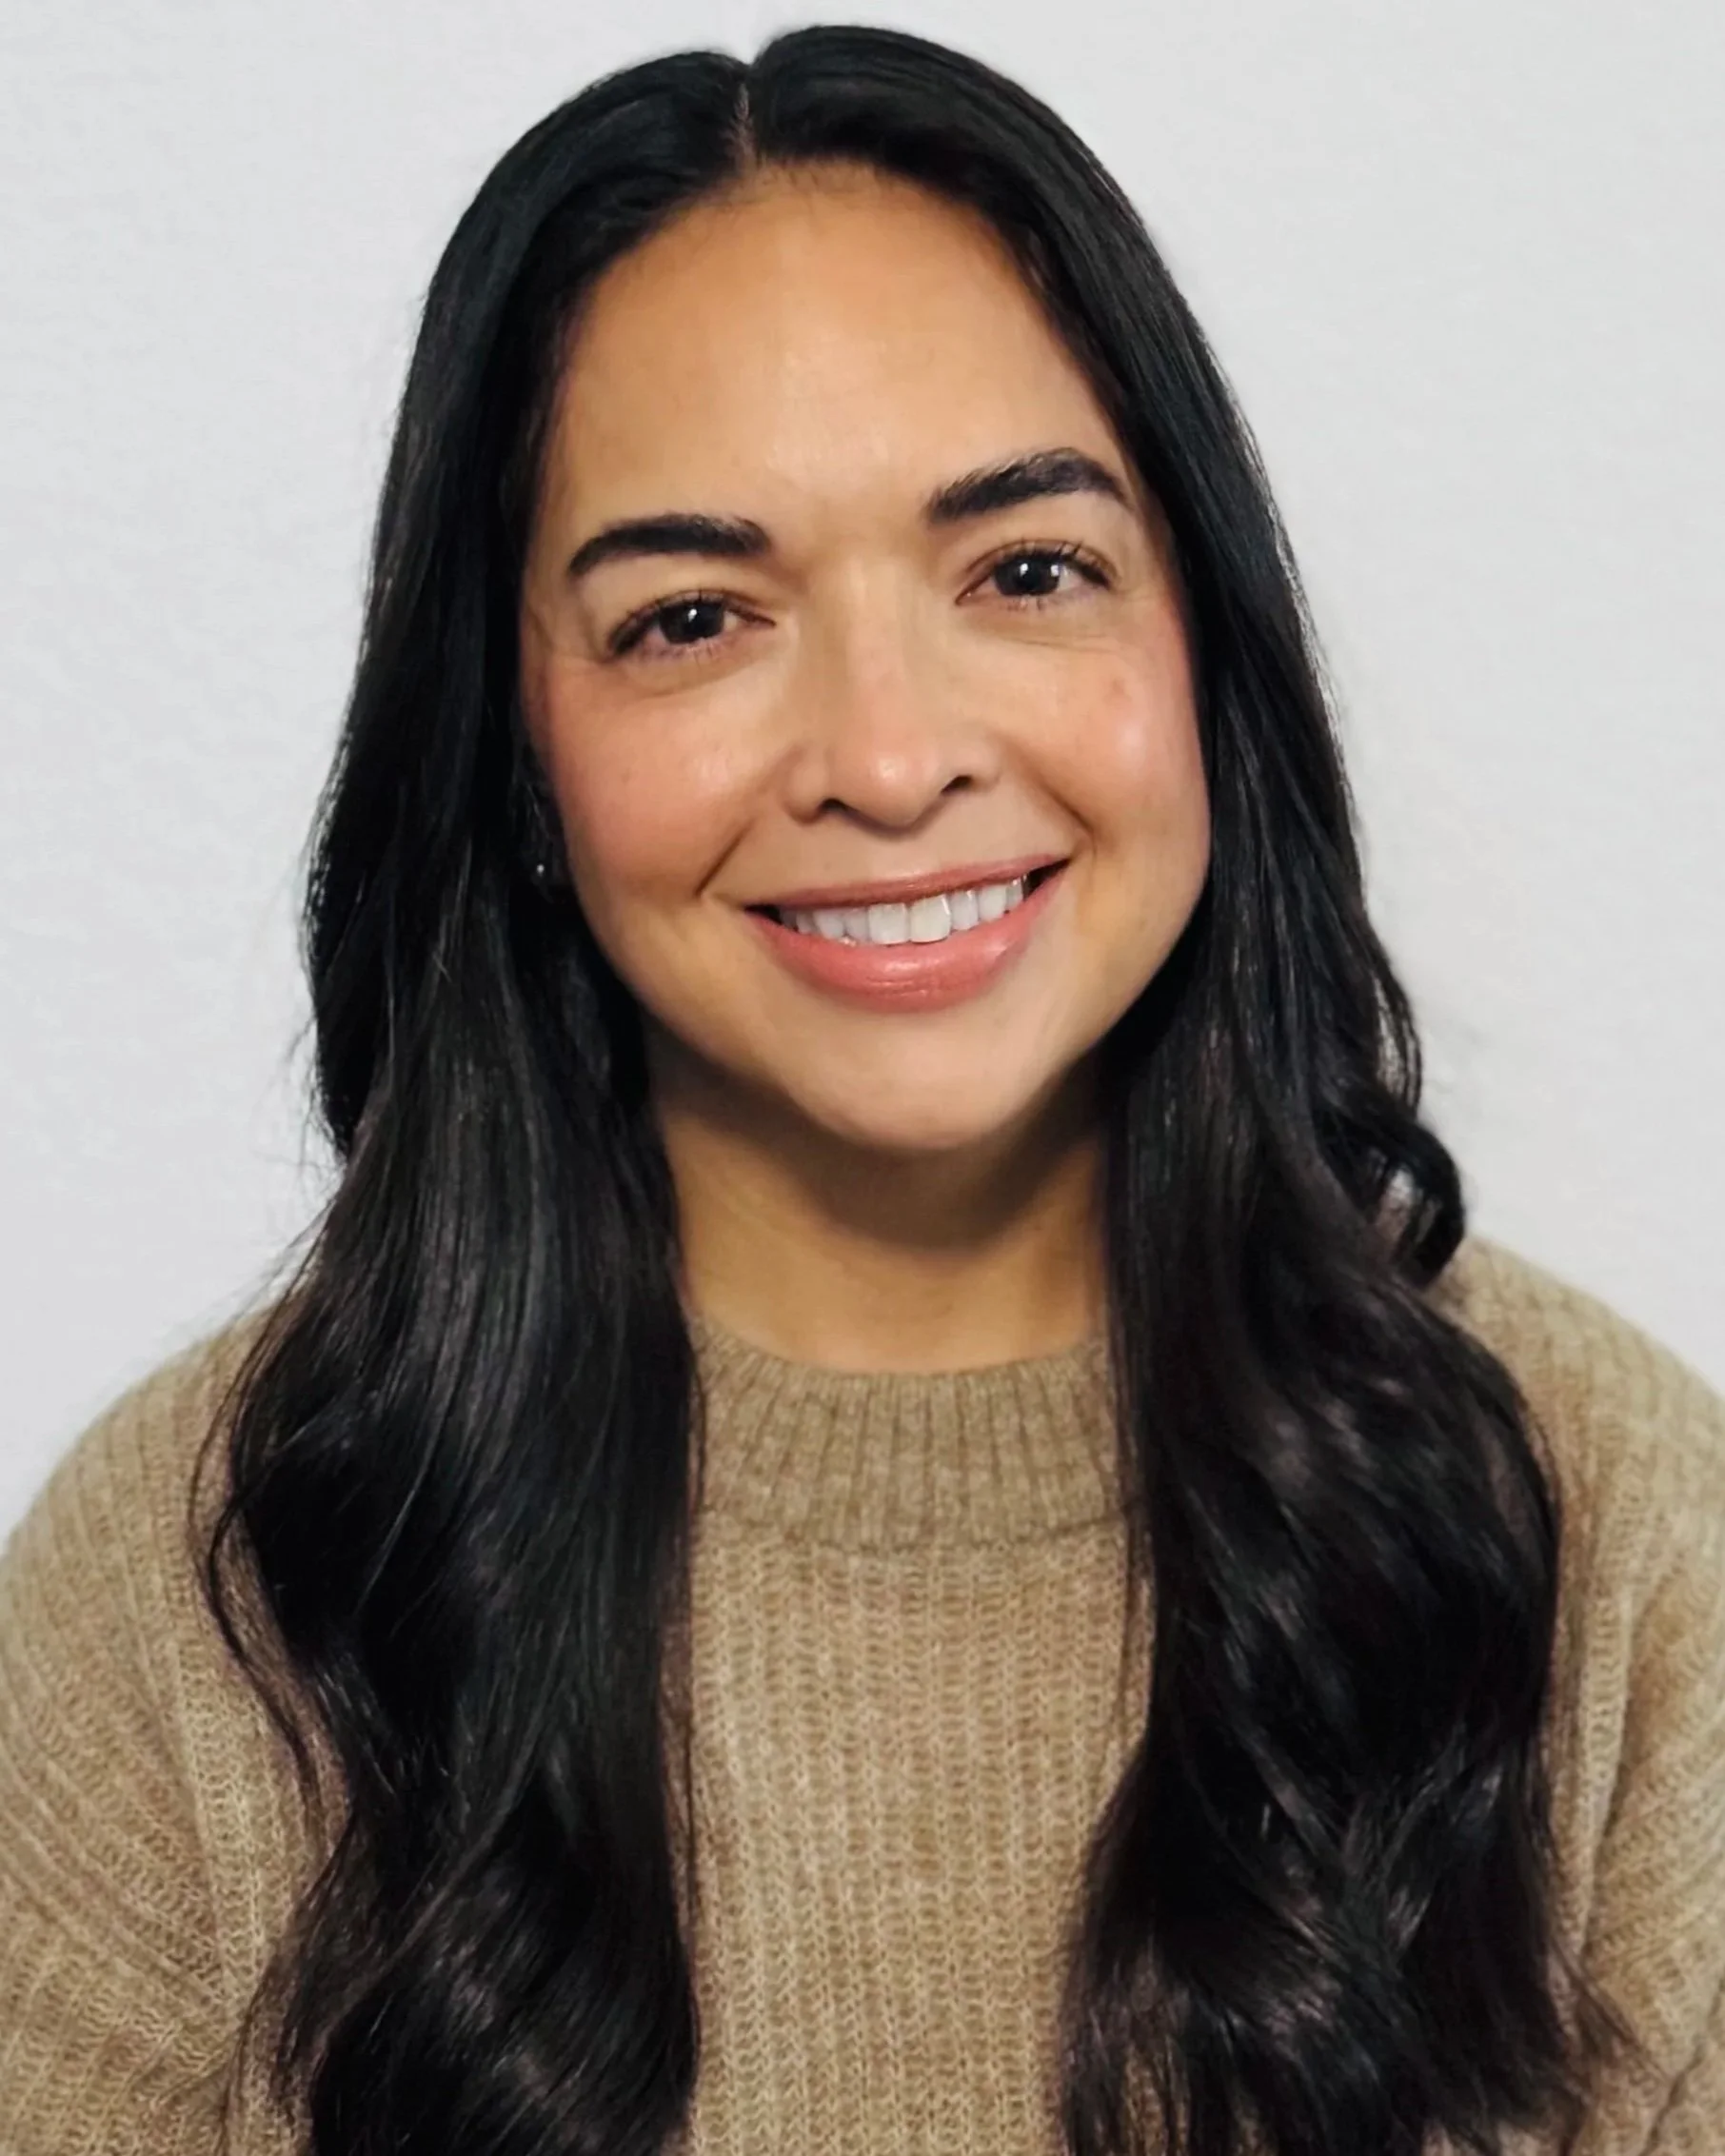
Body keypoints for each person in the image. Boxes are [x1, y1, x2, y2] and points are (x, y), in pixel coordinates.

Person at [1, 23, 1720, 2156]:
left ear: (1207, 641)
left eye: (1026, 570)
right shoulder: (197, 1602)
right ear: (518, 750)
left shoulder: (1623, 1534)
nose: (891, 759)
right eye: (694, 616)